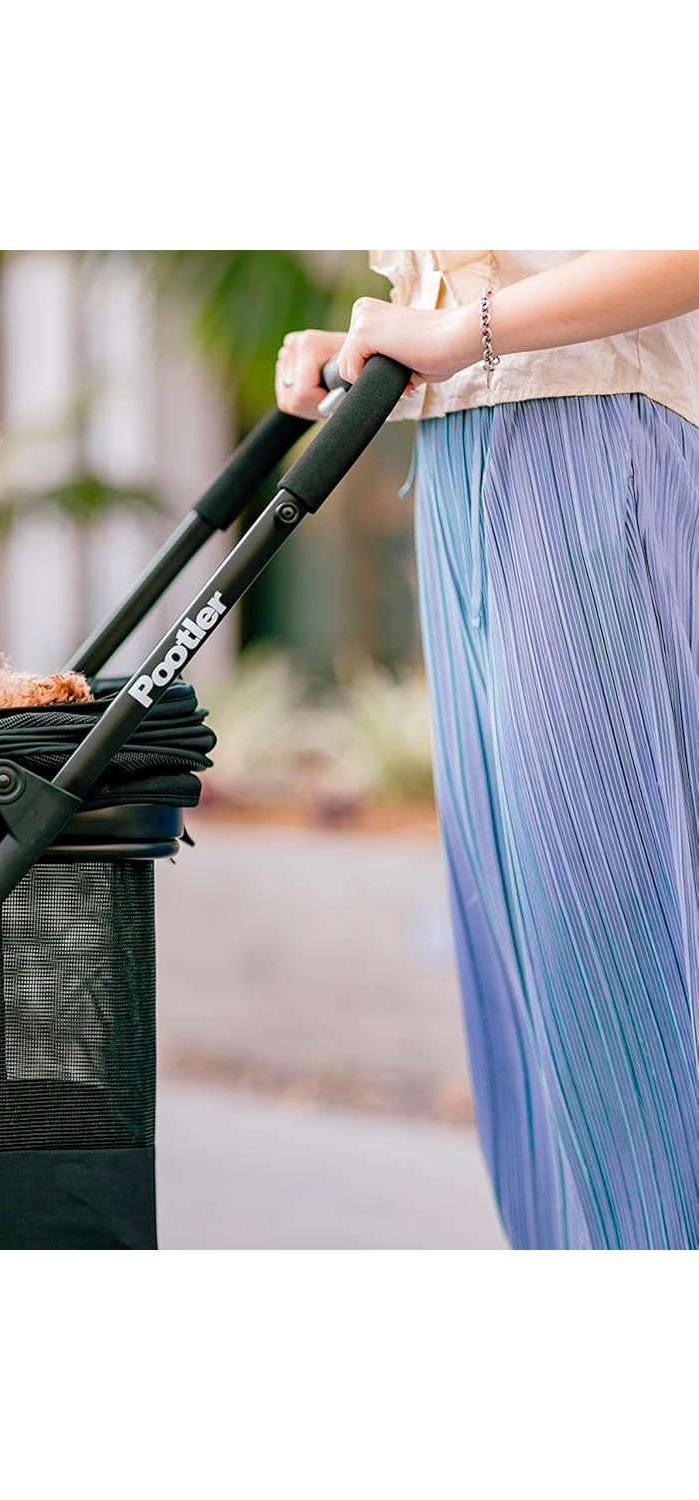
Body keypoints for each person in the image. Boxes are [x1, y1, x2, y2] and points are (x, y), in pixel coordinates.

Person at [276, 251, 699, 1250]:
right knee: (526, 984)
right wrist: (385, 343)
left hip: (598, 437)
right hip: (475, 454)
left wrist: (457, 335)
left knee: (619, 968)